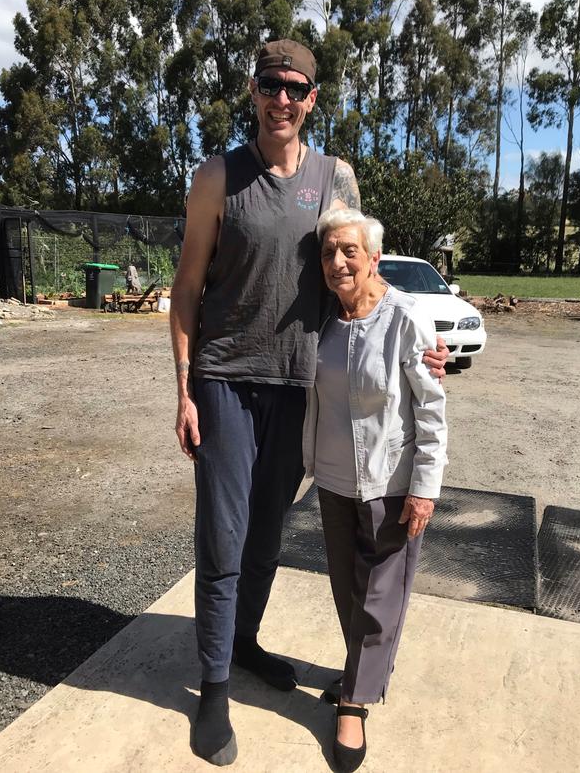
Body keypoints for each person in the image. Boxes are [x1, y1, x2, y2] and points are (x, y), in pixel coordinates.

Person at [169, 38, 449, 766]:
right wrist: (184, 391)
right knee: (224, 541)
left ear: (312, 98)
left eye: (296, 88)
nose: (282, 100)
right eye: (271, 85)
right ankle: (213, 687)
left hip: (301, 391)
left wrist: (419, 341)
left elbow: (361, 271)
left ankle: (244, 640)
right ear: (254, 90)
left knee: (265, 536)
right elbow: (187, 289)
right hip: (226, 381)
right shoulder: (217, 177)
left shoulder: (335, 178)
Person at [303, 207, 448, 772]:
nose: (337, 262)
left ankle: (354, 701)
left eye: (349, 251)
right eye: (328, 252)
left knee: (382, 597)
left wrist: (425, 488)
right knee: (348, 589)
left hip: (391, 483)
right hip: (334, 480)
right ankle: (360, 670)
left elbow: (432, 410)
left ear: (373, 258)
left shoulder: (406, 319)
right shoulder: (322, 318)